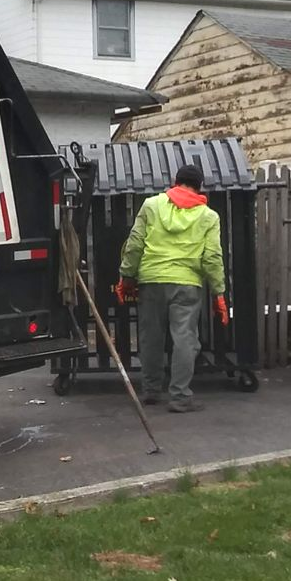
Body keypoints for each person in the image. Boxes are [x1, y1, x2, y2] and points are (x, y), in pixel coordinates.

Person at [116, 163, 227, 412]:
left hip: (151, 281)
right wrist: (219, 292)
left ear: (176, 182)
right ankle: (179, 397)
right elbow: (212, 257)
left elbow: (134, 244)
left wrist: (126, 277)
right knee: (185, 339)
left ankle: (151, 391)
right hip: (187, 284)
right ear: (199, 187)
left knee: (151, 337)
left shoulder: (151, 205)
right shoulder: (208, 216)